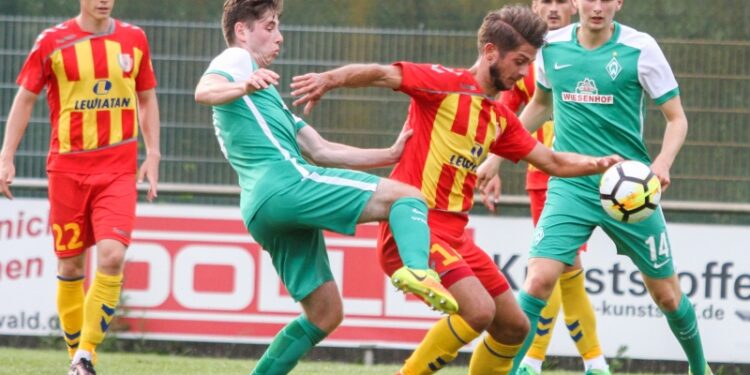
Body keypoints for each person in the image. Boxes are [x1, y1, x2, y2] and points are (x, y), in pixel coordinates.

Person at [290, 5, 621, 374]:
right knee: (479, 311)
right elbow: (382, 74)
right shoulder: (442, 84)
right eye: (520, 61)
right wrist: (330, 79)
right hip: (414, 228)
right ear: (491, 52)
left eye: (530, 63)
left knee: (514, 327)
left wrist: (600, 164)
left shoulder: (499, 119)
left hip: (456, 237)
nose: (525, 73)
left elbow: (553, 161)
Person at [194, 1, 461, 374]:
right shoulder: (237, 60)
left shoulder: (267, 97)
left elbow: (322, 149)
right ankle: (418, 270)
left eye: (278, 26)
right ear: (242, 31)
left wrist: (389, 153)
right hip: (285, 184)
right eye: (269, 27)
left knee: (325, 313)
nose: (279, 36)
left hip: (260, 209)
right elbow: (204, 88)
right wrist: (241, 83)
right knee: (409, 197)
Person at [479, 0, 712, 374]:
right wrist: (497, 157)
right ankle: (508, 370)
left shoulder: (641, 49)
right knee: (537, 281)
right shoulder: (551, 48)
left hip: (630, 190)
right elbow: (540, 104)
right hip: (570, 186)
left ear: (619, 2)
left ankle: (701, 369)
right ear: (576, 2)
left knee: (667, 296)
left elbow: (677, 119)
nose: (598, 6)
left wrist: (662, 164)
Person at [0, 0, 161, 374]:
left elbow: (147, 97)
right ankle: (78, 360)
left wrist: (153, 153)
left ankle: (85, 354)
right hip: (67, 171)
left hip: (118, 170)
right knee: (71, 266)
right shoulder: (51, 41)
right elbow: (25, 99)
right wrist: (7, 155)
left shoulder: (134, 39)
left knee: (111, 256)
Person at [489, 1, 610, 374]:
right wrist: (492, 164)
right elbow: (505, 118)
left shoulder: (591, 51)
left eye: (561, 2)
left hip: (587, 176)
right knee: (561, 268)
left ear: (574, 7)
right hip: (543, 179)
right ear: (534, 6)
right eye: (546, 2)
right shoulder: (523, 62)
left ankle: (535, 360)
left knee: (553, 269)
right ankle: (589, 362)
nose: (553, 9)